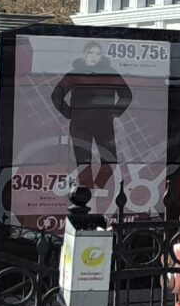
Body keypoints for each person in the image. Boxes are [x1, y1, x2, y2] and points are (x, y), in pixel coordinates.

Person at [50, 42, 133, 195]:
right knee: (83, 160)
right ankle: (86, 192)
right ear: (85, 54)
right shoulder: (74, 74)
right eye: (91, 53)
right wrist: (70, 113)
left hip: (103, 123)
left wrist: (115, 111)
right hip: (80, 124)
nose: (94, 56)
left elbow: (126, 95)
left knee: (110, 159)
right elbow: (56, 95)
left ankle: (98, 186)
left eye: (97, 53)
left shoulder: (110, 73)